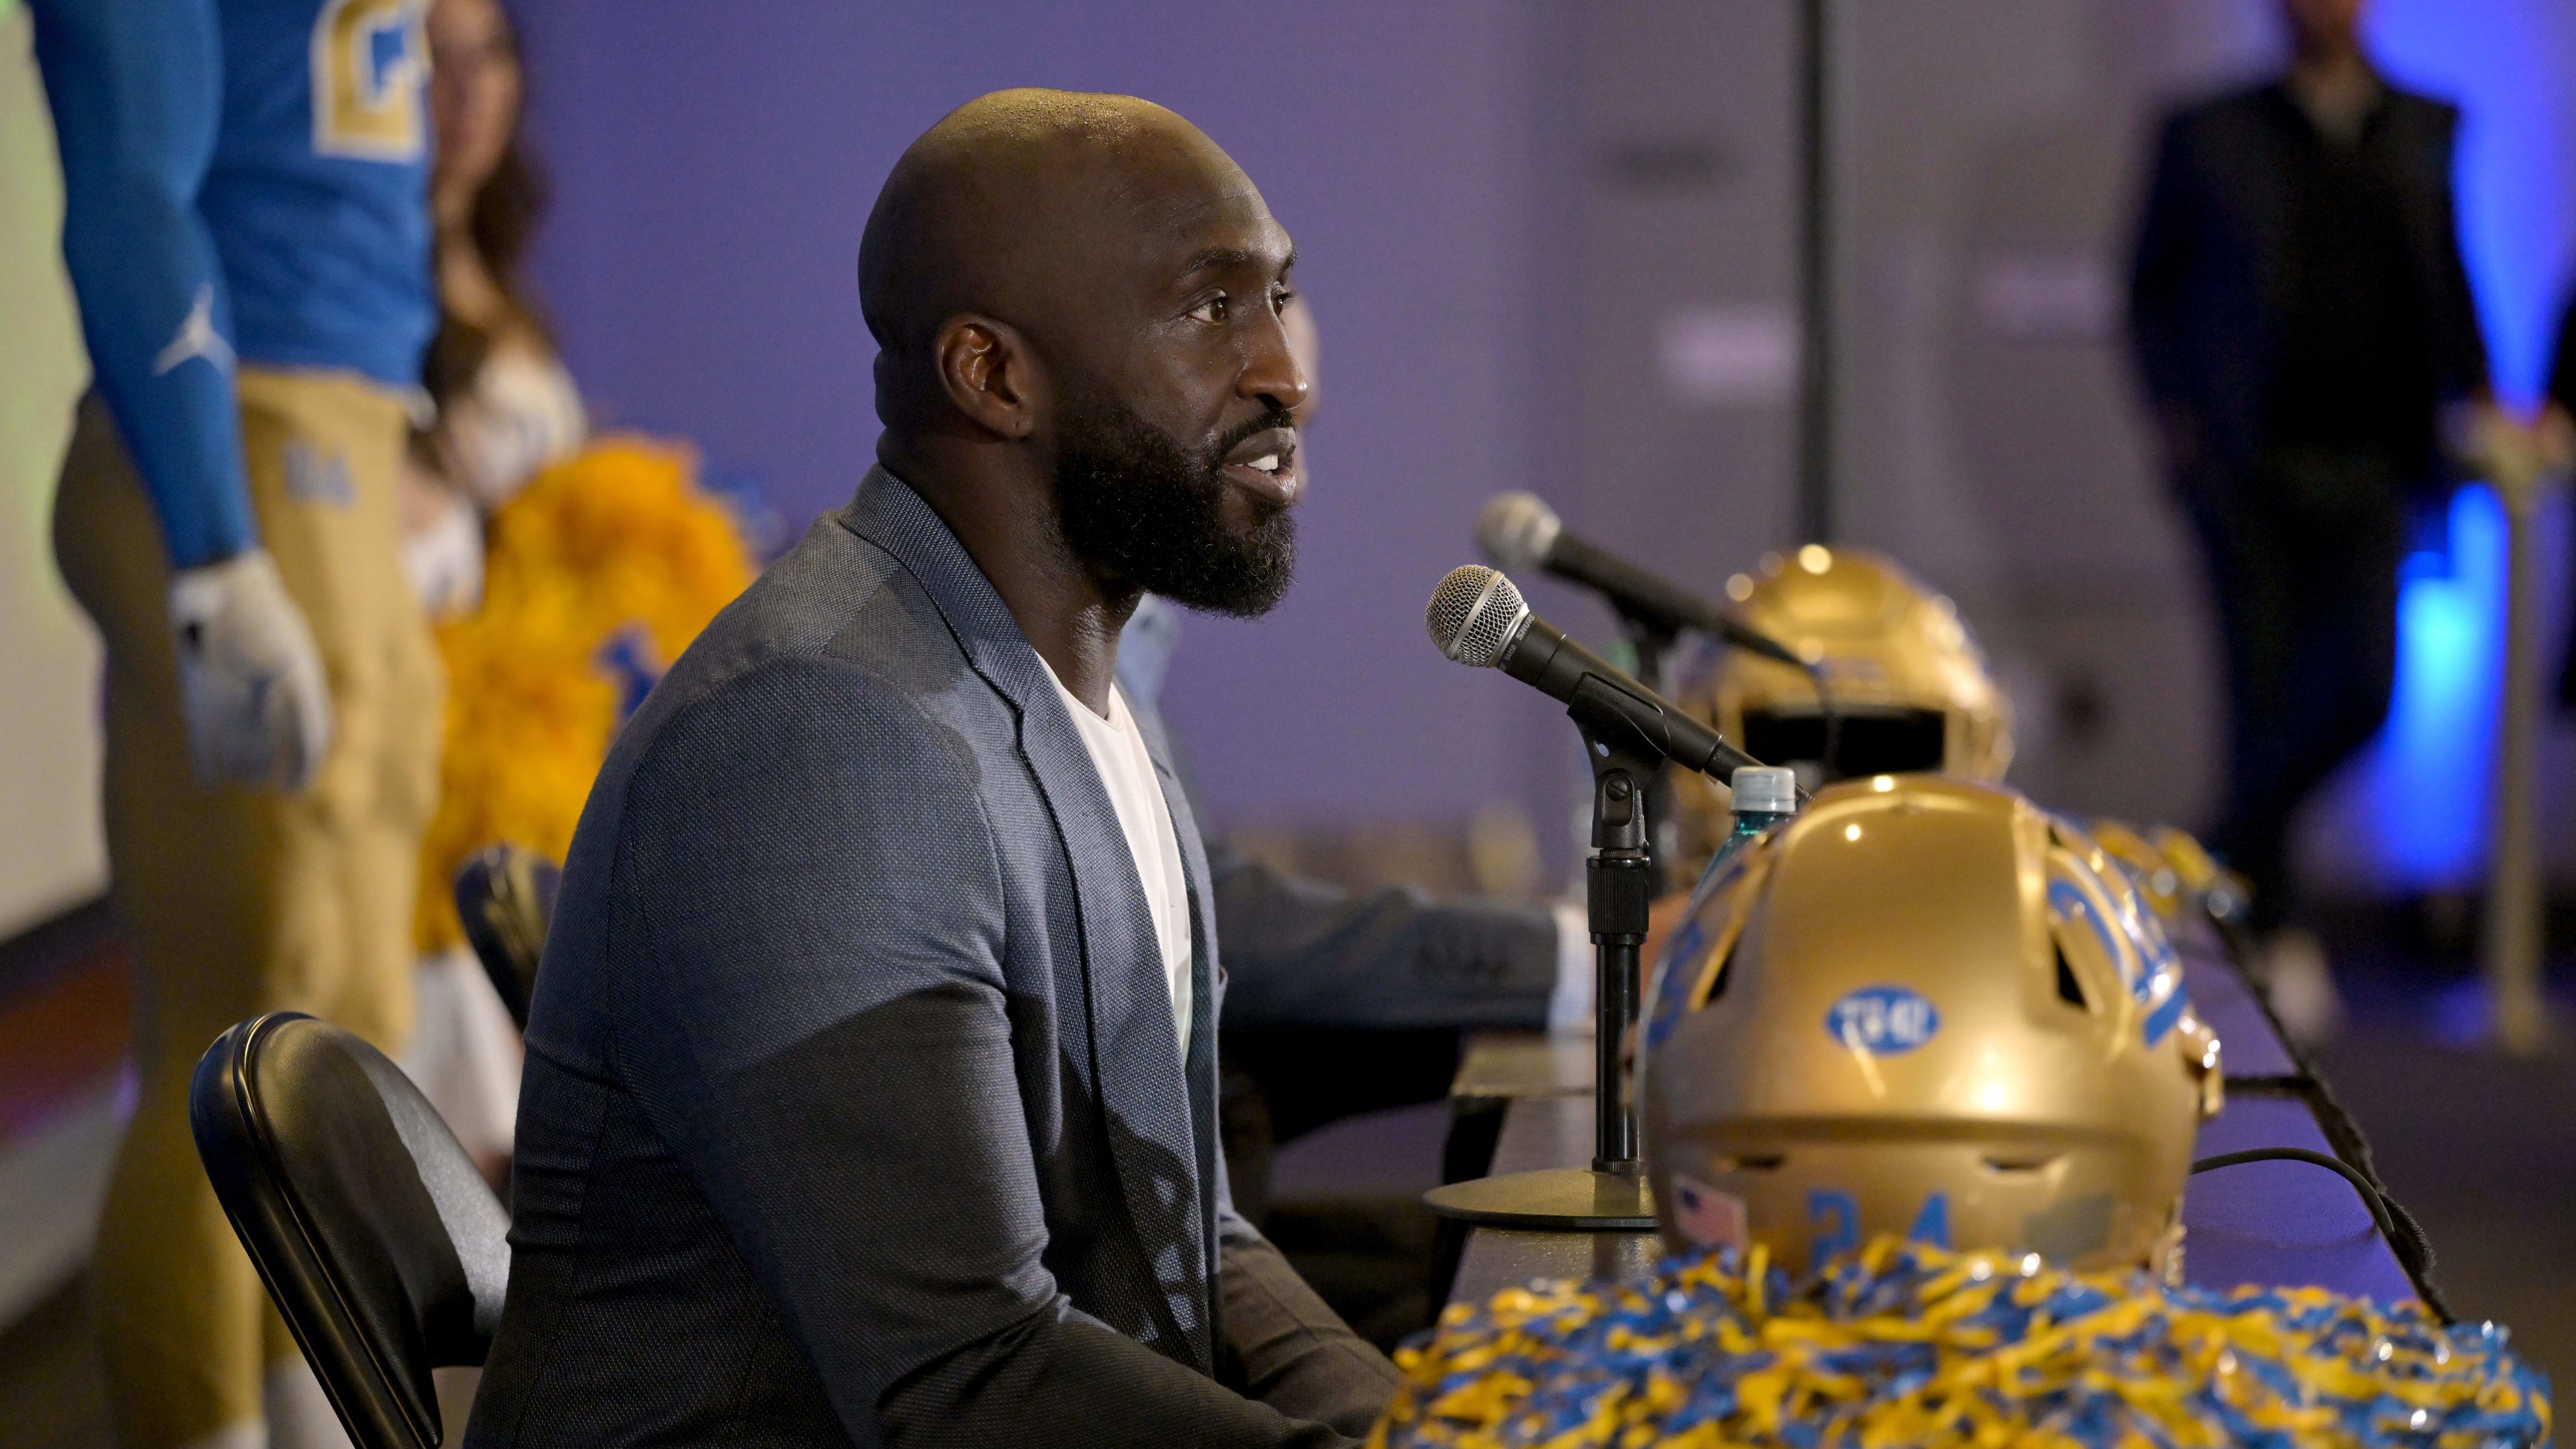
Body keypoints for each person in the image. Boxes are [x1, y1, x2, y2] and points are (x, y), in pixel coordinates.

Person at [467, 90, 1397, 1446]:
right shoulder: (815, 735)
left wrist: (1420, 1422)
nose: (1284, 374)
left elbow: (1185, 1219)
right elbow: (964, 1375)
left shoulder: (1067, 680)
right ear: (994, 376)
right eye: (1209, 308)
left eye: (1278, 297)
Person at [30, 2, 440, 1447]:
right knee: (240, 1007)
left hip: (341, 427)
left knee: (351, 1020)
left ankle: (321, 1408)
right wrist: (214, 535)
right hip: (243, 426)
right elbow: (133, 171)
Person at [2126, 0, 2495, 1038]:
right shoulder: (2208, 132)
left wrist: (2482, 397)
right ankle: (2273, 933)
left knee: (2366, 688)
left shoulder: (2422, 124)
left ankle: (2210, 860)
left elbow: (2444, 274)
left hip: (2375, 465)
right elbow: (2150, 290)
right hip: (2247, 475)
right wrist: (2182, 428)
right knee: (2259, 694)